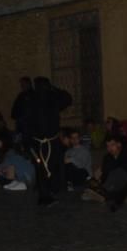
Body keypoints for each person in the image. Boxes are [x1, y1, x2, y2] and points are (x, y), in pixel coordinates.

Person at [29, 77, 71, 206]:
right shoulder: (50, 99)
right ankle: (46, 195)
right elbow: (67, 98)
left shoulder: (33, 100)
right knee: (47, 168)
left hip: (40, 143)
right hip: (47, 143)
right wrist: (54, 89)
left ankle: (46, 194)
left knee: (43, 168)